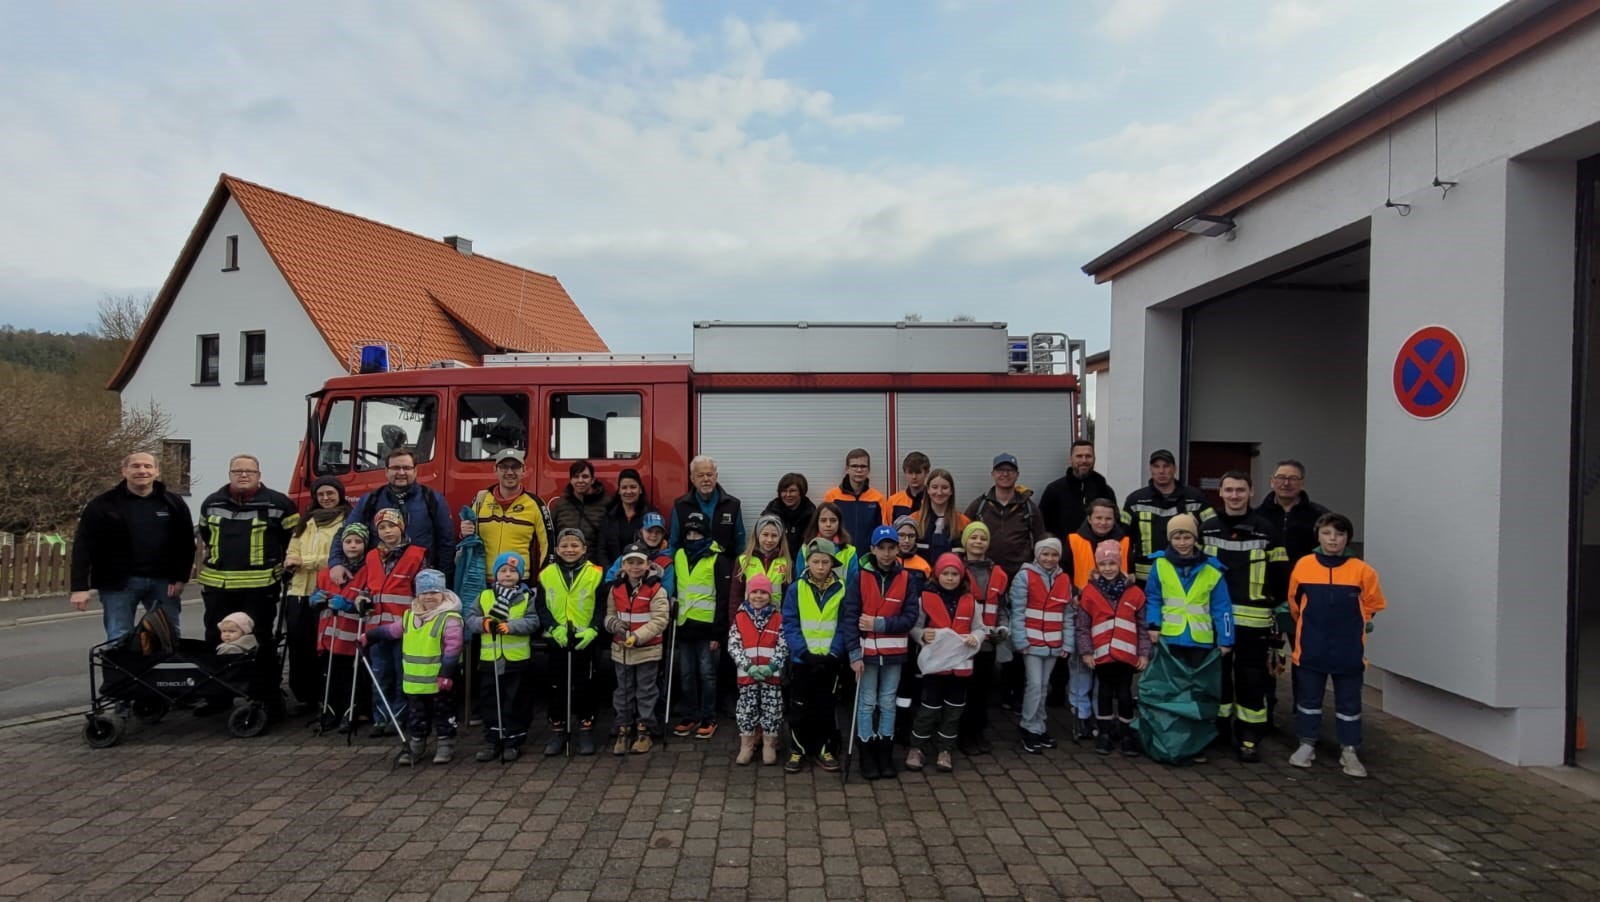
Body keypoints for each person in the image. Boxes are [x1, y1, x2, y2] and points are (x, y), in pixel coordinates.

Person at [195, 454, 300, 719]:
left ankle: (265, 696)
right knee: (216, 640)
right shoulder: (211, 502)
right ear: (229, 474)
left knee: (262, 641)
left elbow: (293, 540)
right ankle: (218, 696)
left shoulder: (279, 503)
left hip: (260, 587)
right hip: (218, 587)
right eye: (238, 471)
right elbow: (206, 535)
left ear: (258, 474)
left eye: (249, 471)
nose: (243, 475)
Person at [1287, 512, 1387, 778]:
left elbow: (1373, 604)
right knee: (1309, 699)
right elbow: (1295, 604)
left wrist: (1361, 622)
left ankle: (1350, 750)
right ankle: (1306, 744)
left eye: (1339, 534)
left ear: (1347, 539)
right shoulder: (1304, 565)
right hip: (1311, 645)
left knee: (1349, 702)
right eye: (1327, 533)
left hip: (1348, 648)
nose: (1333, 539)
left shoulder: (1362, 571)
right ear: (1318, 536)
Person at [1199, 472, 1289, 763]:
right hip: (1215, 619)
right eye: (1229, 490)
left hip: (1255, 619)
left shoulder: (1267, 530)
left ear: (1251, 492)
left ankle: (1250, 734)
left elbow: (1280, 576)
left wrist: (1275, 614)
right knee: (1217, 676)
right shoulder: (1207, 528)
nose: (1234, 495)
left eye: (1240, 490)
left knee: (1252, 678)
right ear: (1220, 493)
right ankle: (1219, 728)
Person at [70, 451, 195, 642]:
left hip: (163, 583)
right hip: (118, 584)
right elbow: (83, 545)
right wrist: (79, 587)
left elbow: (185, 543)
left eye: (147, 466)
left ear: (156, 472)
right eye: (135, 466)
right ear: (124, 471)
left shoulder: (173, 503)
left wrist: (180, 578)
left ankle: (162, 673)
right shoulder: (103, 504)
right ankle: (121, 673)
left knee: (167, 637)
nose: (142, 471)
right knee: (119, 637)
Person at [1139, 514, 1233, 765]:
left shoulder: (1213, 568)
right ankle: (1169, 738)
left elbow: (1222, 608)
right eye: (1177, 537)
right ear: (1170, 539)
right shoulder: (1160, 565)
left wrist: (1226, 639)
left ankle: (1194, 743)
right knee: (1170, 693)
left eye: (1187, 536)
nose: (1182, 542)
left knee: (1195, 696)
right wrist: (1153, 625)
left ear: (1195, 538)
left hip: (1200, 642)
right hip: (1170, 639)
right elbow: (1154, 597)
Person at [842, 525, 923, 781]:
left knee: (888, 702)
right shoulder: (860, 577)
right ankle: (867, 752)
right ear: (873, 549)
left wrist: (880, 624)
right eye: (882, 548)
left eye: (891, 548)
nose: (887, 554)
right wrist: (854, 653)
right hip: (866, 654)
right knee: (867, 702)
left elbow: (910, 617)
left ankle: (885, 752)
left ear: (898, 548)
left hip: (894, 653)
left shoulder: (907, 578)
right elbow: (850, 616)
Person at [359, 568, 463, 766]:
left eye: (434, 592)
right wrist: (369, 637)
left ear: (443, 593)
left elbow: (453, 648)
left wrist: (447, 674)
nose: (429, 597)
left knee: (444, 714)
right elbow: (391, 631)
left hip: (440, 681)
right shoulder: (410, 616)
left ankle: (445, 744)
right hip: (415, 682)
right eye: (424, 593)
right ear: (418, 595)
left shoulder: (449, 618)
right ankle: (416, 743)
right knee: (416, 716)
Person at [340, 508, 428, 737]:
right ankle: (380, 718)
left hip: (403, 626)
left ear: (401, 527)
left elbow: (424, 592)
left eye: (391, 526)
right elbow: (365, 586)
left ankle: (398, 718)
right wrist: (361, 598)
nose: (387, 531)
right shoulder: (371, 556)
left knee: (402, 675)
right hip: (375, 627)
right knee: (380, 674)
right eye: (382, 527)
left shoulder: (417, 554)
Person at [1053, 496, 1131, 726]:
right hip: (1082, 611)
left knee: (1104, 668)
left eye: (1108, 518)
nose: (1103, 522)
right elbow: (1063, 573)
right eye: (1098, 517)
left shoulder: (1125, 541)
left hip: (1113, 615)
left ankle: (1101, 712)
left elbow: (1130, 575)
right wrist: (1073, 594)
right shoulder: (1073, 540)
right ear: (1089, 518)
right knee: (1081, 666)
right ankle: (1081, 712)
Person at [906, 554, 984, 773]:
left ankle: (945, 749)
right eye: (945, 574)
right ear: (937, 575)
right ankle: (917, 747)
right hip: (935, 665)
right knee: (928, 708)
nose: (950, 578)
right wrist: (922, 635)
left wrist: (976, 638)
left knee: (953, 710)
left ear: (962, 576)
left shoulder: (971, 601)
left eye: (954, 574)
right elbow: (914, 626)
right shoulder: (925, 598)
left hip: (961, 665)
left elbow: (980, 627)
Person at [332, 449, 454, 583]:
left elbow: (446, 542)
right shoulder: (370, 500)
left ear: (415, 470)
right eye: (396, 468)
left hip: (420, 579)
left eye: (406, 468)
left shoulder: (432, 499)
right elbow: (344, 533)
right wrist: (336, 563)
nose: (401, 473)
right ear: (386, 471)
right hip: (380, 579)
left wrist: (444, 580)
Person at [1075, 541, 1150, 756]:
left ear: (1120, 564)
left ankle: (1127, 734)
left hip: (1127, 655)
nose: (1108, 568)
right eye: (1103, 564)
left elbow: (1142, 626)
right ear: (1097, 566)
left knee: (1125, 695)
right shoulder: (1089, 593)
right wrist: (1087, 651)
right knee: (1104, 693)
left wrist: (1144, 653)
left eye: (1112, 563)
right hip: (1102, 654)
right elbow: (1082, 626)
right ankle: (1105, 733)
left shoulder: (1135, 593)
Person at [781, 538, 849, 773]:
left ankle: (824, 748)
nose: (820, 567)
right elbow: (789, 623)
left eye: (825, 562)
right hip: (803, 661)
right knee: (799, 707)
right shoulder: (795, 588)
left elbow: (844, 625)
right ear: (807, 562)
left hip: (829, 661)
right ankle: (797, 750)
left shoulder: (842, 589)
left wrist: (834, 653)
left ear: (833, 563)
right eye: (815, 561)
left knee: (825, 707)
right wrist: (802, 652)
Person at [536, 529, 605, 756]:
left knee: (585, 686)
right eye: (564, 545)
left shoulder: (596, 573)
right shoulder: (546, 574)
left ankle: (586, 730)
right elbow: (541, 606)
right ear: (556, 550)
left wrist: (594, 629)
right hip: (557, 638)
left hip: (584, 640)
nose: (570, 549)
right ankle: (558, 731)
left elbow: (601, 606)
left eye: (575, 545)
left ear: (584, 549)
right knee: (556, 687)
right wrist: (553, 627)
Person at [466, 552, 540, 763]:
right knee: (490, 700)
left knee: (515, 700)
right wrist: (484, 624)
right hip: (490, 658)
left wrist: (511, 627)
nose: (507, 575)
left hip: (516, 659)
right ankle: (493, 739)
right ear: (495, 574)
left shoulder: (527, 597)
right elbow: (470, 618)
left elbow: (533, 622)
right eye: (503, 571)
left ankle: (513, 740)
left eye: (512, 571)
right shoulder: (484, 596)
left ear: (520, 575)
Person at [283, 476, 348, 714]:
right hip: (299, 591)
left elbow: (338, 557)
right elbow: (293, 549)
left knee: (325, 646)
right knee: (299, 646)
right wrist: (291, 561)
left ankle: (327, 696)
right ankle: (304, 697)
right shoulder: (306, 521)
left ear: (340, 494)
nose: (326, 498)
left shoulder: (346, 522)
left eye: (330, 493)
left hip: (326, 592)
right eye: (321, 495)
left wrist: (304, 562)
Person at [670, 512, 733, 740]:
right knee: (686, 674)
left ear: (706, 533)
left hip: (708, 629)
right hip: (685, 626)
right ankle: (690, 716)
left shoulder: (718, 558)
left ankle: (709, 717)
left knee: (707, 674)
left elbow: (723, 597)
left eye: (697, 532)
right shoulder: (678, 555)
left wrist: (719, 632)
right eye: (689, 532)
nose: (693, 536)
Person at [604, 543, 670, 755]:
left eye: (639, 562)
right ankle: (624, 727)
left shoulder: (656, 589)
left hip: (647, 649)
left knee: (646, 690)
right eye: (630, 562)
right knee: (623, 690)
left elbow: (660, 620)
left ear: (648, 564)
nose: (635, 566)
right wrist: (612, 624)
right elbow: (609, 614)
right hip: (621, 649)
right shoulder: (616, 589)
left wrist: (638, 637)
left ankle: (645, 729)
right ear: (622, 565)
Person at [1010, 538, 1073, 754]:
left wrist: (1068, 642)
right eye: (1045, 554)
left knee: (1043, 687)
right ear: (1037, 555)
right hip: (1031, 641)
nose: (1049, 559)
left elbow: (1067, 614)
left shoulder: (1064, 578)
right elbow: (1017, 612)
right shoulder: (1024, 576)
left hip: (1054, 641)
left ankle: (1039, 725)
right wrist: (1020, 640)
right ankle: (1028, 726)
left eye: (1054, 554)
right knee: (1034, 685)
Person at [460, 449, 553, 586]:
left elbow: (548, 544)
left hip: (519, 580)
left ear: (523, 470)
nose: (510, 472)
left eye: (515, 467)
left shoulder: (535, 504)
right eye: (504, 467)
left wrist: (544, 577)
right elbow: (468, 539)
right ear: (495, 470)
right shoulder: (481, 499)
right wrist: (464, 532)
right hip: (482, 581)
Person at [955, 522, 1009, 755]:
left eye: (982, 538)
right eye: (973, 537)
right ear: (965, 542)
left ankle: (979, 732)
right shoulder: (955, 570)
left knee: (982, 690)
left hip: (989, 642)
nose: (978, 542)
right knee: (964, 689)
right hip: (964, 642)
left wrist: (1004, 628)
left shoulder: (997, 573)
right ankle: (963, 734)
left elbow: (1003, 607)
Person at [1123, 449, 1212, 583]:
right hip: (1146, 578)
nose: (1161, 471)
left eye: (1166, 466)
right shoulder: (1135, 500)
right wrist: (1128, 570)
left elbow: (1211, 534)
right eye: (1156, 466)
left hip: (1187, 574)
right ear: (1150, 469)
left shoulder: (1195, 498)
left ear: (1174, 468)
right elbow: (1123, 539)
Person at [314, 524, 369, 732]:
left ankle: (350, 712)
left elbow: (367, 602)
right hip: (327, 638)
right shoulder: (326, 573)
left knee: (350, 679)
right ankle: (329, 712)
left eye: (357, 542)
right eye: (348, 542)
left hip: (350, 639)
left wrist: (351, 605)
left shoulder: (366, 572)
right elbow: (317, 593)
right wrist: (316, 600)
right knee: (328, 677)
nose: (352, 546)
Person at [728, 573, 788, 766]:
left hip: (771, 675)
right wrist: (747, 666)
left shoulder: (778, 618)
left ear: (770, 596)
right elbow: (733, 645)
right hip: (747, 675)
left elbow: (783, 645)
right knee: (747, 708)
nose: (759, 596)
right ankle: (747, 744)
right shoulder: (740, 618)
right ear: (748, 594)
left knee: (772, 708)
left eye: (763, 592)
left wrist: (772, 666)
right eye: (755, 592)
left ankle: (769, 744)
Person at [964, 453, 1044, 579]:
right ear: (993, 474)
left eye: (1010, 470)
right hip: (986, 574)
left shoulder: (1029, 508)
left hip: (1020, 576)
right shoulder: (979, 506)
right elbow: (963, 536)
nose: (1005, 474)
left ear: (1017, 475)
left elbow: (1040, 540)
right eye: (1000, 470)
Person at [1040, 439, 1118, 540]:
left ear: (1094, 459)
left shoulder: (1105, 491)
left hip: (1098, 552)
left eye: (1088, 456)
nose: (1084, 461)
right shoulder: (1054, 490)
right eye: (1079, 456)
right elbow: (1042, 525)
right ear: (1071, 459)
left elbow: (1115, 523)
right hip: (1065, 552)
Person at [670, 455, 745, 557]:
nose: (706, 479)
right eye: (700, 475)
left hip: (724, 568)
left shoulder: (732, 505)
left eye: (709, 474)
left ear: (716, 476)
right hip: (692, 569)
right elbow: (674, 543)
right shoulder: (681, 506)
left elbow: (740, 543)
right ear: (692, 478)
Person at [823, 448, 890, 555]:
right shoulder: (832, 496)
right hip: (840, 557)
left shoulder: (878, 499)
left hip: (868, 558)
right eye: (854, 466)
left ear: (869, 470)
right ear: (847, 469)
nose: (859, 470)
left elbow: (882, 532)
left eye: (863, 466)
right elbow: (824, 530)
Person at [729, 514, 791, 624]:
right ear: (758, 535)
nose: (769, 540)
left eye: (774, 535)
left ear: (780, 537)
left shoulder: (786, 563)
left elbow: (788, 600)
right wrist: (735, 624)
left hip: (775, 622)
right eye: (765, 534)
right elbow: (735, 597)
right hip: (748, 622)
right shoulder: (744, 561)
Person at [548, 460, 610, 561]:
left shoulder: (606, 504)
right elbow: (550, 536)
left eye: (585, 476)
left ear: (592, 479)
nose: (580, 480)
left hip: (594, 567)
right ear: (571, 480)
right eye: (576, 477)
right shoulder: (561, 504)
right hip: (564, 565)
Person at [598, 468, 653, 570]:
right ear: (619, 490)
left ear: (640, 489)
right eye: (624, 487)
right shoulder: (609, 516)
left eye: (633, 487)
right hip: (614, 573)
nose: (628, 491)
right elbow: (601, 549)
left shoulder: (650, 515)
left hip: (640, 573)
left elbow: (655, 548)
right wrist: (610, 573)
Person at [916, 468, 969, 561]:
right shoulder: (915, 520)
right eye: (934, 487)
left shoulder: (963, 522)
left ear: (951, 491)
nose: (939, 493)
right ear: (927, 489)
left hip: (951, 575)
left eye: (945, 488)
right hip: (921, 574)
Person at [762, 473, 815, 560]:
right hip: (775, 564)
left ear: (801, 492)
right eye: (784, 491)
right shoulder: (770, 513)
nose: (788, 495)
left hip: (802, 562)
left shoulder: (811, 514)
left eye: (792, 491)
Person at [801, 502, 858, 576]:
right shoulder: (805, 549)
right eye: (823, 520)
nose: (828, 524)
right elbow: (799, 581)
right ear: (816, 522)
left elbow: (852, 583)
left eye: (833, 520)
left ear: (839, 523)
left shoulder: (849, 551)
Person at [888, 451, 931, 521]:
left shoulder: (934, 499)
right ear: (905, 473)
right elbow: (890, 529)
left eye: (918, 472)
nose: (914, 477)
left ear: (926, 473)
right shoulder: (893, 501)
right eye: (910, 473)